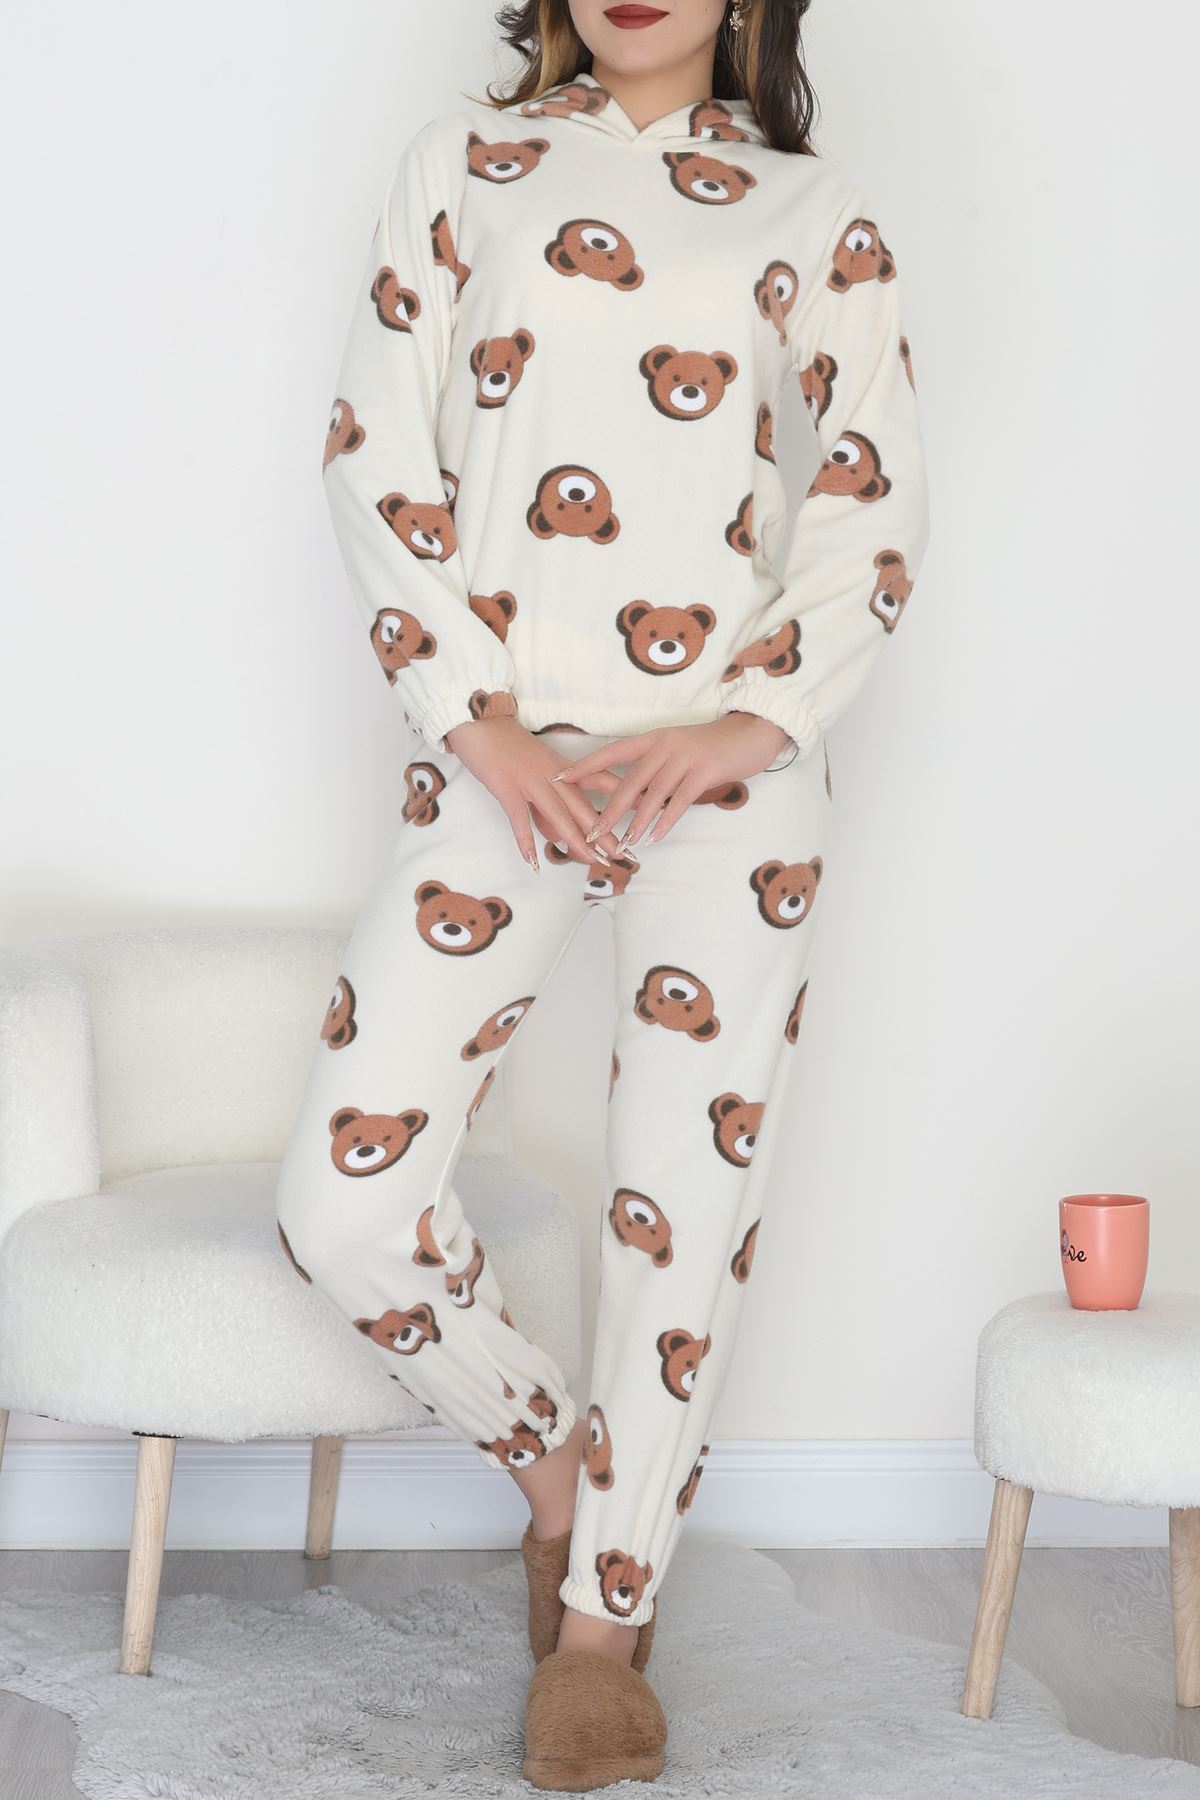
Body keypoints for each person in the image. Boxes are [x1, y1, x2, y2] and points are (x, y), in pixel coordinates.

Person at [276, 0, 929, 1785]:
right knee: (343, 1200)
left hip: (728, 774)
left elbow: (871, 496)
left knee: (683, 1214)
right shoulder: (462, 165)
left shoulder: (809, 207)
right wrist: (470, 723)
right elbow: (372, 451)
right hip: (504, 755)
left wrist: (746, 721)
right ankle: (555, 1465)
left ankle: (601, 1628)